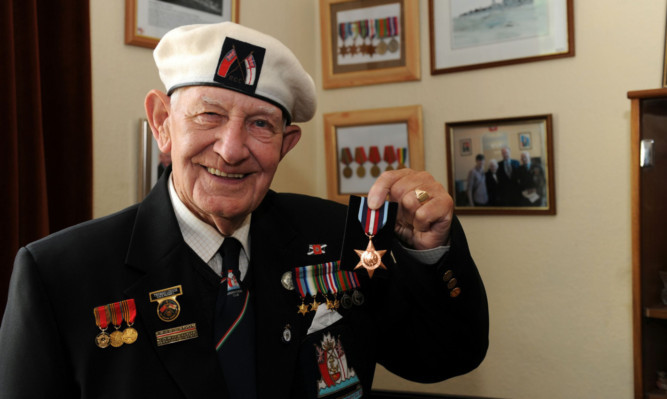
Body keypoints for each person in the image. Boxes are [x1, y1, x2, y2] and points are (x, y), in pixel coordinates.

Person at [0, 22, 488, 399]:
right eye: (208, 115)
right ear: (163, 124)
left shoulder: (339, 238)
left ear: (286, 143)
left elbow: (446, 354)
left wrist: (432, 250)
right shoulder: (60, 276)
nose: (232, 150)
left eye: (260, 124)